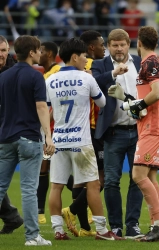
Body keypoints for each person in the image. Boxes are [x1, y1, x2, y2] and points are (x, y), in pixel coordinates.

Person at [47, 38, 122, 241]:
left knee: (56, 186)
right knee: (93, 184)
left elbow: (46, 110)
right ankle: (102, 230)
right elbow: (103, 103)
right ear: (74, 56)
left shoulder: (50, 80)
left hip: (58, 140)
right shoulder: (86, 78)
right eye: (84, 56)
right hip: (81, 140)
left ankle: (57, 231)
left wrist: (47, 137)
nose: (86, 60)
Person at [108, 25, 159, 242]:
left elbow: (157, 94)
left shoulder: (149, 62)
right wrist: (125, 99)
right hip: (151, 124)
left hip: (152, 127)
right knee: (150, 176)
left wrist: (137, 105)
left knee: (137, 176)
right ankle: (156, 224)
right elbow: (142, 106)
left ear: (139, 44)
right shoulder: (152, 62)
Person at [0, 35, 55, 246]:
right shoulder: (35, 77)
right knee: (29, 190)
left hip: (5, 138)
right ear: (31, 52)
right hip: (29, 139)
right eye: (38, 50)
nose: (40, 53)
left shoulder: (3, 77)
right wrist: (48, 136)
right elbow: (42, 107)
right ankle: (32, 236)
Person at [91, 28, 144, 239]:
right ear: (108, 47)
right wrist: (114, 73)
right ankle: (115, 226)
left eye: (122, 44)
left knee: (137, 180)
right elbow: (94, 83)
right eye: (114, 45)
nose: (119, 48)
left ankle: (132, 225)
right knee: (112, 181)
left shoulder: (140, 63)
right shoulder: (100, 65)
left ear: (128, 44)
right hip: (113, 133)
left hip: (139, 130)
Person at [61, 30, 106, 237]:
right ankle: (72, 210)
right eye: (101, 44)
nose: (103, 48)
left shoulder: (78, 69)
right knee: (100, 179)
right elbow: (100, 98)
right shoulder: (87, 69)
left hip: (77, 130)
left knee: (80, 180)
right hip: (92, 129)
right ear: (90, 48)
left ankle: (85, 228)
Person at [36, 41, 62, 224]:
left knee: (54, 171)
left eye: (42, 51)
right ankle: (39, 213)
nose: (39, 53)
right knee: (45, 169)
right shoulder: (46, 74)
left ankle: (82, 204)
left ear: (51, 54)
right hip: (48, 130)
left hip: (53, 131)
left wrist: (47, 132)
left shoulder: (55, 74)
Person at [0, 35, 23, 235]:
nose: (1, 54)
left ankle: (11, 217)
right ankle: (11, 217)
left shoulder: (13, 72)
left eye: (3, 50)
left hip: (8, 131)